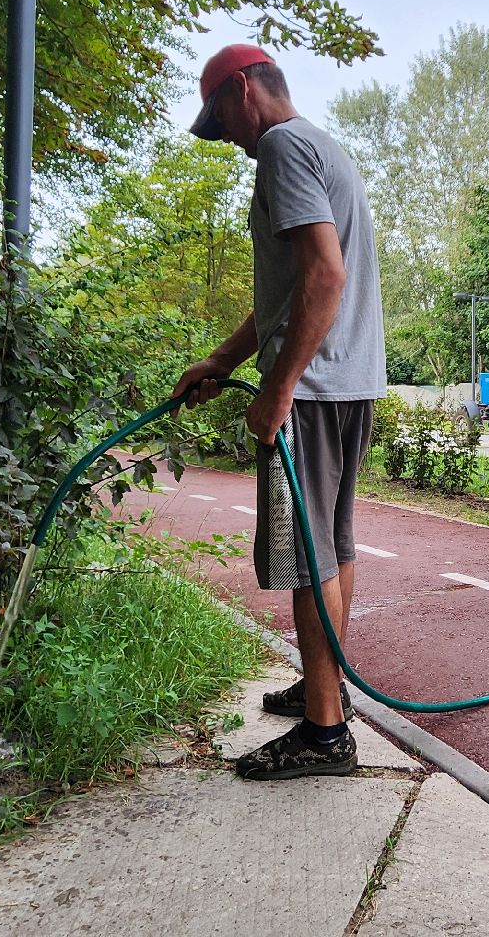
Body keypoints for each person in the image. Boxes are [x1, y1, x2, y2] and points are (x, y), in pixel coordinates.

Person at [170, 44, 385, 781]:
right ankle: (327, 695)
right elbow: (295, 289)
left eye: (219, 117)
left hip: (316, 390)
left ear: (242, 90)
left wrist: (278, 387)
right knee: (335, 547)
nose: (223, 135)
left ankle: (325, 737)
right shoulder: (324, 145)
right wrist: (224, 361)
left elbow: (326, 276)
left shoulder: (283, 148)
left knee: (308, 560)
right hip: (350, 384)